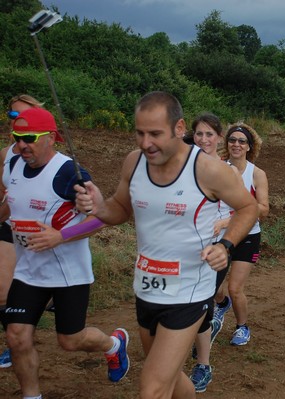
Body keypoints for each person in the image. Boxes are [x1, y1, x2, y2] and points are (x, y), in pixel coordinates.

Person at [74, 91, 258, 398]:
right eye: (140, 133)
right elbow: (120, 207)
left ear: (179, 128)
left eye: (155, 134)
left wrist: (225, 245)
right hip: (146, 288)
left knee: (152, 387)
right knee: (167, 378)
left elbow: (249, 207)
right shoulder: (134, 162)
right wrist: (98, 206)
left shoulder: (207, 169)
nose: (146, 143)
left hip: (189, 291)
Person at [4, 107, 129, 399]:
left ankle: (113, 344)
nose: (22, 145)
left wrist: (60, 236)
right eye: (17, 137)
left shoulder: (67, 173)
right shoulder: (13, 166)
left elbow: (100, 218)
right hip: (28, 270)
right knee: (16, 336)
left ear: (51, 138)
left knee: (70, 340)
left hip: (67, 272)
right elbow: (13, 203)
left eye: (29, 138)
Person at [186, 112, 234, 392]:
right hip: (186, 250)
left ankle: (203, 365)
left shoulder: (226, 170)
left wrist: (223, 223)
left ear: (219, 138)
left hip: (217, 250)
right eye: (199, 134)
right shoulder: (183, 166)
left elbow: (244, 210)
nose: (203, 139)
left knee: (200, 307)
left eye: (209, 134)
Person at [214, 122, 269, 347]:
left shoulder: (256, 174)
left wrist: (229, 220)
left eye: (242, 141)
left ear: (249, 146)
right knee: (213, 288)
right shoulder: (216, 168)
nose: (236, 144)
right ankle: (222, 303)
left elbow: (263, 209)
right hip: (217, 237)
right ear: (227, 143)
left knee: (236, 288)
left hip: (247, 235)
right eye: (233, 140)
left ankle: (241, 326)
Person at [1, 95, 45, 369]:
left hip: (43, 233)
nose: (18, 121)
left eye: (24, 116)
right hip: (11, 228)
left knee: (71, 337)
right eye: (13, 116)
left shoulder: (56, 159)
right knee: (3, 291)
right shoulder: (5, 155)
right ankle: (15, 342)